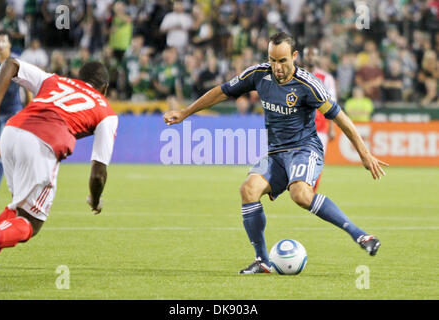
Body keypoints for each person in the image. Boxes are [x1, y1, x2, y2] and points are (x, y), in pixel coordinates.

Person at [164, 32, 388, 274]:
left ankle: (361, 236)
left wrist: (364, 154)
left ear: (294, 56)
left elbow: (341, 118)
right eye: (272, 60)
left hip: (304, 148)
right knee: (248, 190)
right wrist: (186, 112)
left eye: (282, 60)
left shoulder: (308, 85)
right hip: (276, 154)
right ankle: (262, 261)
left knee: (301, 195)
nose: (277, 67)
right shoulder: (259, 74)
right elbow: (222, 91)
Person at [0, 58, 118, 266]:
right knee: (30, 222)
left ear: (79, 79)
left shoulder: (55, 80)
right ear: (104, 88)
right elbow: (98, 173)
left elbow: (10, 64)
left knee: (17, 210)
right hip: (41, 144)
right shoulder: (106, 112)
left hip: (10, 133)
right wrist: (95, 200)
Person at [0, 30, 31, 202]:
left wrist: (31, 106)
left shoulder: (15, 63)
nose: (0, 44)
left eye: (3, 41)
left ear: (9, 44)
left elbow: (27, 86)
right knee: (7, 151)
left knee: (1, 147)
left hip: (13, 111)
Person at [302, 46, 337, 192]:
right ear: (302, 57)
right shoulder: (297, 75)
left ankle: (311, 190)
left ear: (318, 57)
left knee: (318, 159)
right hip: (300, 125)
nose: (310, 57)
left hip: (320, 126)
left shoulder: (326, 78)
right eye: (307, 55)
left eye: (313, 54)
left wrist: (332, 127)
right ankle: (301, 186)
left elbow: (332, 104)